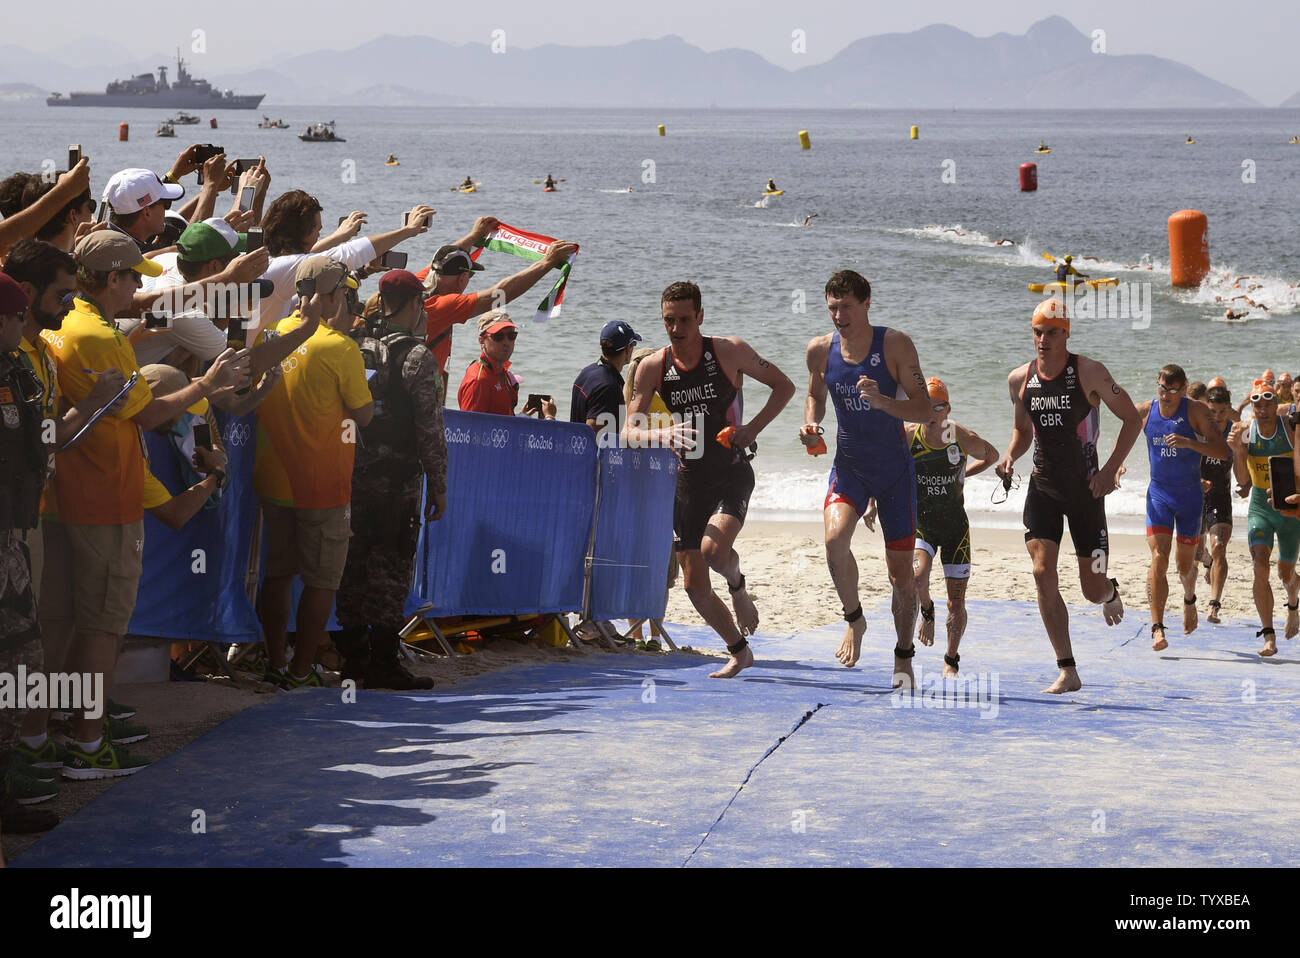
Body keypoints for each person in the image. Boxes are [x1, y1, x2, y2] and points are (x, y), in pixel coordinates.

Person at [33, 231, 246, 778]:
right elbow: (148, 417)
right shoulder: (102, 337)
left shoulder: (68, 321)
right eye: (132, 277)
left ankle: (39, 736)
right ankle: (87, 744)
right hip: (103, 499)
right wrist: (207, 383)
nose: (137, 287)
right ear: (111, 279)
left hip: (64, 497)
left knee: (58, 623)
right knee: (103, 628)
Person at [624, 281, 794, 679]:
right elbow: (628, 431)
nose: (677, 328)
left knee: (714, 551)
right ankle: (739, 650)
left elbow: (783, 386)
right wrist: (660, 436)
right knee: (693, 586)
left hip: (731, 472)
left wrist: (751, 428)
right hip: (689, 482)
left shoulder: (728, 351)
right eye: (669, 320)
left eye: (684, 319)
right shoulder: (652, 368)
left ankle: (737, 584)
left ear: (700, 317)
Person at [995, 298, 1142, 694]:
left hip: (1086, 491)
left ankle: (1109, 590)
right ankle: (1067, 669)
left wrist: (1110, 470)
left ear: (1066, 334)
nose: (1043, 340)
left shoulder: (1089, 372)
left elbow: (1132, 419)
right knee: (1042, 572)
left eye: (1053, 333)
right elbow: (1023, 432)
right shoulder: (1020, 380)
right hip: (1043, 487)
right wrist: (1010, 455)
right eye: (1038, 332)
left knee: (1090, 591)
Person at [797, 270, 935, 686]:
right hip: (850, 467)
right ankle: (854, 619)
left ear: (866, 304)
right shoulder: (820, 351)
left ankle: (903, 655)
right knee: (834, 540)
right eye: (833, 307)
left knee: (902, 579)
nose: (839, 315)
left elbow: (925, 409)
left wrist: (881, 402)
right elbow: (814, 396)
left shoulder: (894, 345)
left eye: (847, 307)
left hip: (894, 474)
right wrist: (811, 425)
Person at [254, 257, 371, 688]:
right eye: (344, 293)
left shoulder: (272, 334)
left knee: (278, 575)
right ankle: (301, 669)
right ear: (332, 296)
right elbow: (365, 413)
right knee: (322, 581)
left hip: (273, 478)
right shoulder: (340, 347)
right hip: (322, 485)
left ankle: (273, 661)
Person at [334, 269, 448, 690]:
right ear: (416, 305)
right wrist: (439, 484)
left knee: (353, 563)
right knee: (392, 566)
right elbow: (430, 430)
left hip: (350, 473)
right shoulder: (418, 358)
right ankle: (382, 660)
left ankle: (352, 659)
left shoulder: (353, 347)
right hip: (397, 481)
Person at [0, 275, 60, 841]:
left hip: (12, 537)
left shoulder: (17, 371)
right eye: (16, 317)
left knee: (23, 658)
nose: (24, 328)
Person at [908, 377, 999, 676]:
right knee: (918, 579)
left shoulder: (960, 436)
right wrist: (871, 502)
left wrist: (966, 474)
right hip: (924, 525)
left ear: (947, 409)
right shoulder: (909, 437)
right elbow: (884, 468)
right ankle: (926, 609)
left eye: (938, 406)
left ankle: (951, 659)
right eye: (925, 406)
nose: (931, 413)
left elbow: (993, 456)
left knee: (956, 603)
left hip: (956, 529)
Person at [1136, 364, 1230, 650]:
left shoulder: (1196, 412)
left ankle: (1189, 598)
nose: (1165, 395)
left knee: (1184, 565)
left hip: (1189, 497)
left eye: (1172, 390)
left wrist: (1190, 443)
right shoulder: (1145, 411)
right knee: (1158, 558)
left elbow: (1223, 451)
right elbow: (1124, 436)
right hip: (1159, 494)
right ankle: (1158, 628)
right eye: (1161, 388)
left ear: (1184, 387)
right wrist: (1113, 469)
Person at [251, 190, 434, 337]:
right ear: (303, 233)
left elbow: (308, 258)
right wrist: (408, 231)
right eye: (317, 230)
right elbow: (350, 254)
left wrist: (343, 242)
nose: (319, 236)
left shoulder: (265, 259)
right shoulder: (281, 268)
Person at [415, 218, 577, 377]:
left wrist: (475, 235)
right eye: (470, 275)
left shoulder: (417, 285)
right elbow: (500, 293)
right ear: (463, 278)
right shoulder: (445, 305)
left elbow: (445, 256)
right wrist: (547, 262)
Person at [1229, 379, 1300, 657]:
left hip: (1290, 511)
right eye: (1257, 403)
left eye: (1268, 402)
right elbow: (1244, 483)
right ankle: (1268, 634)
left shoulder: (1290, 428)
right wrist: (1238, 452)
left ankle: (1293, 604)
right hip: (1260, 506)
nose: (1263, 408)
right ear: (1253, 406)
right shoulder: (1246, 433)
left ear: (1276, 403)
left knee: (1285, 572)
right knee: (1260, 564)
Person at [622, 345, 679, 652]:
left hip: (643, 494)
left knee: (644, 566)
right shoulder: (649, 402)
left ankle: (642, 636)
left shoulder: (632, 401)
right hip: (654, 494)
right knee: (655, 567)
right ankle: (649, 636)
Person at [457, 311, 556, 418]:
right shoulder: (478, 381)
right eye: (498, 336)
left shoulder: (501, 372)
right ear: (482, 341)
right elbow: (469, 429)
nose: (506, 342)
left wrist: (520, 417)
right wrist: (550, 418)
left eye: (511, 335)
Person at [1197, 383, 1235, 623]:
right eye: (1212, 411)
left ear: (1228, 409)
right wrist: (1196, 479)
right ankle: (1207, 562)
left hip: (1221, 496)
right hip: (1195, 496)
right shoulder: (1198, 431)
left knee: (1219, 545)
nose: (1217, 417)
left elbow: (1244, 466)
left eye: (1222, 411)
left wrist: (1248, 484)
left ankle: (1213, 605)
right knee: (1196, 554)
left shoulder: (1234, 432)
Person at [571, 320, 641, 442]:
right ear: (628, 349)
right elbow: (592, 432)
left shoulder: (587, 372)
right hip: (591, 459)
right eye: (633, 345)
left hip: (575, 453)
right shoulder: (608, 386)